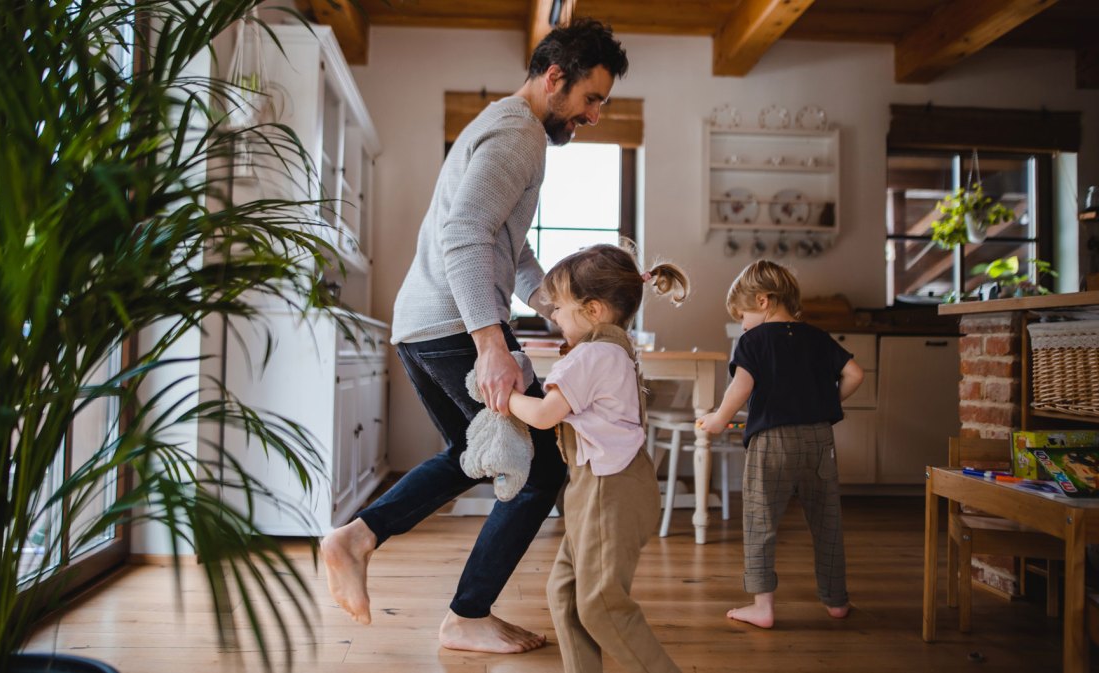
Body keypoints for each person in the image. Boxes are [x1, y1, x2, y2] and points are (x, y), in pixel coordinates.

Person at [320, 19, 629, 654]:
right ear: (554, 78)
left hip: (427, 323)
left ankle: (357, 538)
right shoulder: (520, 136)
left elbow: (502, 249)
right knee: (541, 469)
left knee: (472, 452)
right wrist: (491, 343)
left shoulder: (503, 124)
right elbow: (464, 238)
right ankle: (466, 614)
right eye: (591, 98)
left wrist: (565, 308)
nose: (594, 115)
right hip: (454, 324)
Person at [507, 244, 688, 673]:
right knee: (566, 594)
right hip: (602, 486)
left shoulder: (591, 355)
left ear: (592, 310)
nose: (554, 316)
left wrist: (504, 398)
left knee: (600, 604)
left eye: (561, 307)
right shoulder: (613, 351)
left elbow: (543, 415)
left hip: (611, 491)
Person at [699, 260, 864, 629]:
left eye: (742, 314)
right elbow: (855, 374)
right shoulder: (817, 337)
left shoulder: (753, 342)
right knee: (827, 522)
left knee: (761, 522)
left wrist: (718, 419)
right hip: (820, 441)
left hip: (772, 443)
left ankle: (762, 606)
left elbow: (740, 388)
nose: (742, 324)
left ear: (763, 301)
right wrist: (828, 403)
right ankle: (837, 601)